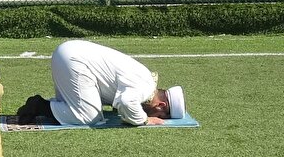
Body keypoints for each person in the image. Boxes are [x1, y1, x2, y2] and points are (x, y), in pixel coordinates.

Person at [15, 39, 185, 126]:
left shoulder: (146, 78)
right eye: (160, 116)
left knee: (77, 107)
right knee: (89, 117)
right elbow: (126, 102)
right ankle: (39, 106)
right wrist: (145, 120)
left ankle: (48, 108)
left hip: (70, 54)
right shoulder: (145, 88)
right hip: (74, 60)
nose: (157, 118)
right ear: (160, 106)